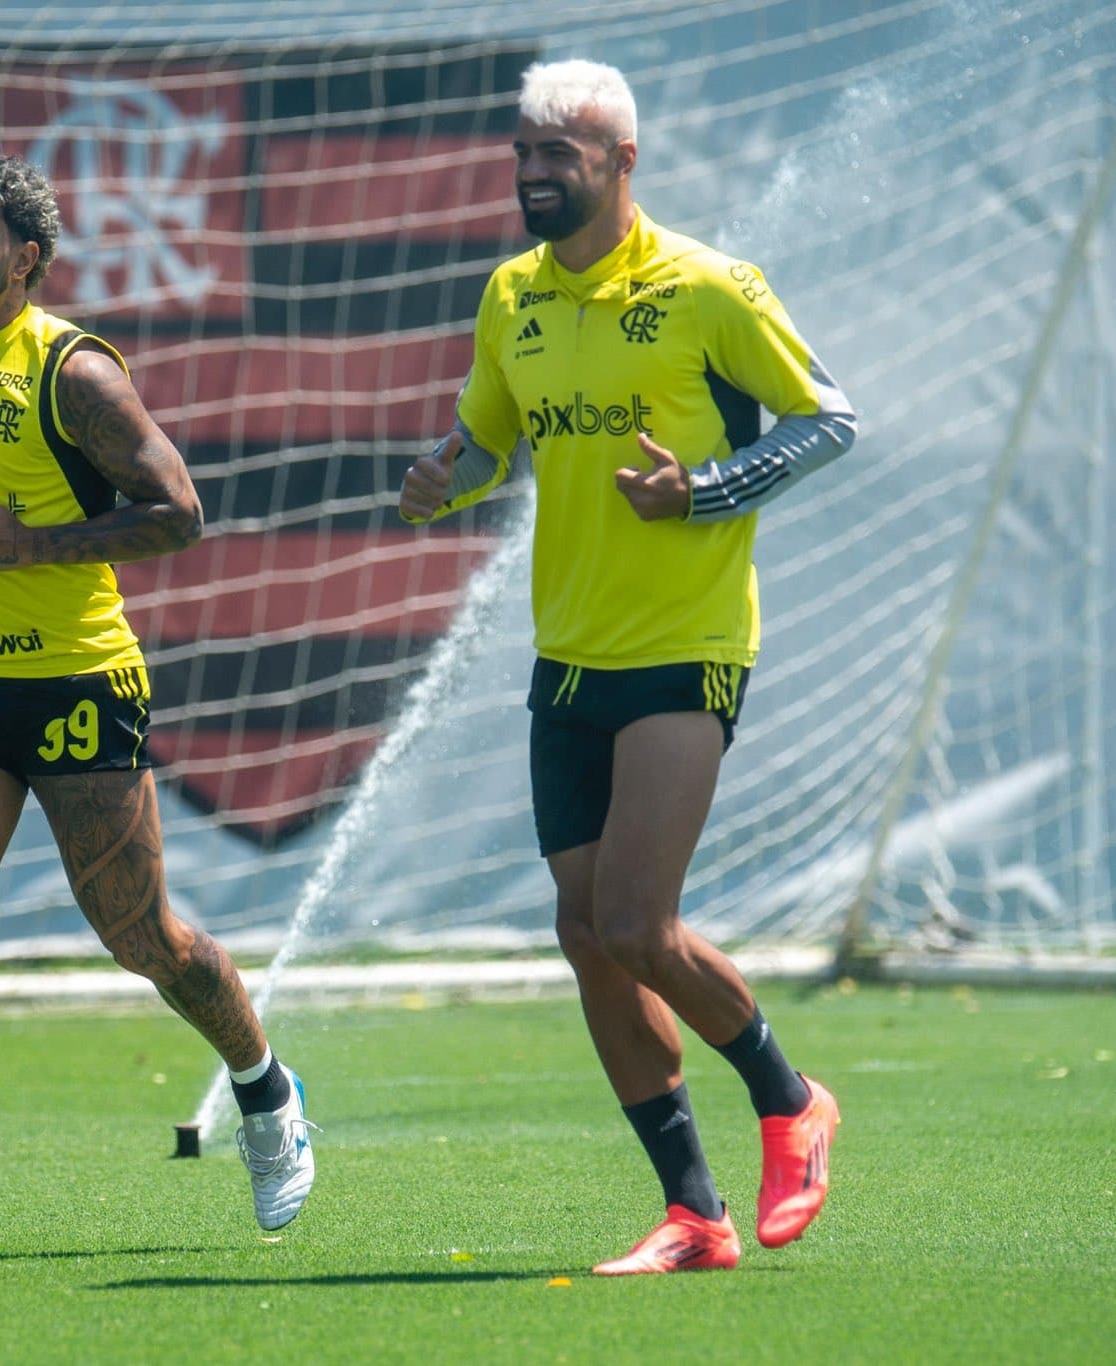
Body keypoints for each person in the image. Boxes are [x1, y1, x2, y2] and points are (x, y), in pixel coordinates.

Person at [399, 61, 855, 1275]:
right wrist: (443, 475)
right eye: (523, 150)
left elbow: (829, 419)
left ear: (621, 162)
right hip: (566, 656)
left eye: (560, 151)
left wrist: (701, 488)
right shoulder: (510, 294)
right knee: (585, 931)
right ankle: (694, 1213)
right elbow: (487, 439)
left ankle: (791, 1098)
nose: (533, 171)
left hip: (685, 645)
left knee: (635, 921)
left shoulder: (707, 286)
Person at [0, 153, 315, 1262]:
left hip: (78, 684)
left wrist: (36, 547)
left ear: (26, 257)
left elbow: (179, 512)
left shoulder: (73, 372)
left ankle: (264, 1086)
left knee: (141, 937)